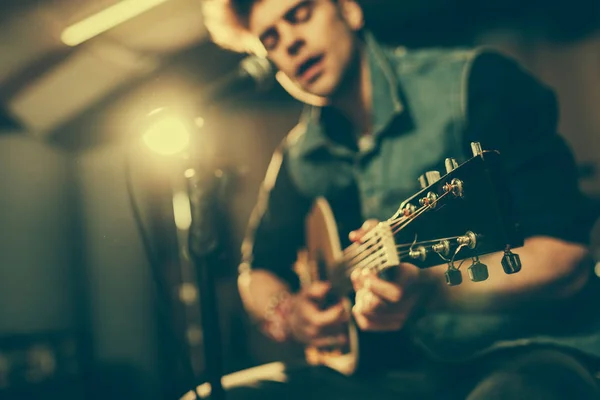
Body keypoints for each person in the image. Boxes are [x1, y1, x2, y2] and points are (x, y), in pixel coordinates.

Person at [191, 0, 600, 398]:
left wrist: (432, 288)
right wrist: (290, 315)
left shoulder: (476, 82)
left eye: (300, 15)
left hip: (523, 350)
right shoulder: (300, 156)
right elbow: (257, 270)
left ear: (349, 9)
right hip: (392, 373)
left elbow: (566, 259)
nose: (290, 43)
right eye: (271, 39)